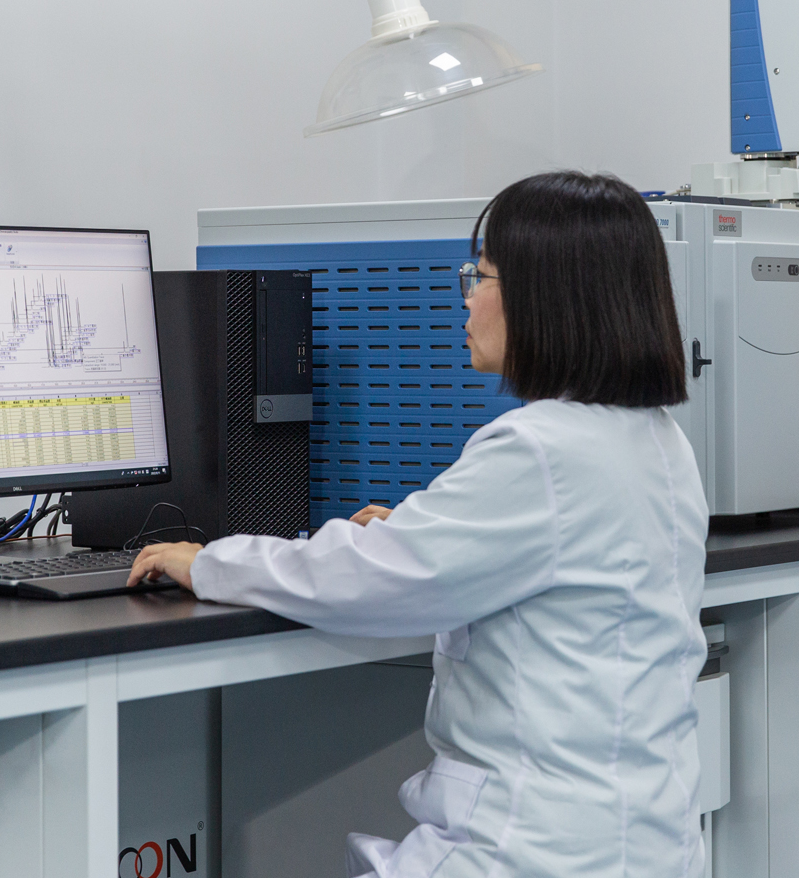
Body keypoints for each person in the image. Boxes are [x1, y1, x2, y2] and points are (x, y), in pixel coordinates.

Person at [128, 170, 709, 878]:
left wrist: (212, 561)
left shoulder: (539, 450)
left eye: (481, 276)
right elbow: (532, 557)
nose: (467, 296)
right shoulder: (659, 441)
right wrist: (425, 530)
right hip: (643, 846)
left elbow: (367, 580)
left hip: (534, 852)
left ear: (546, 297)